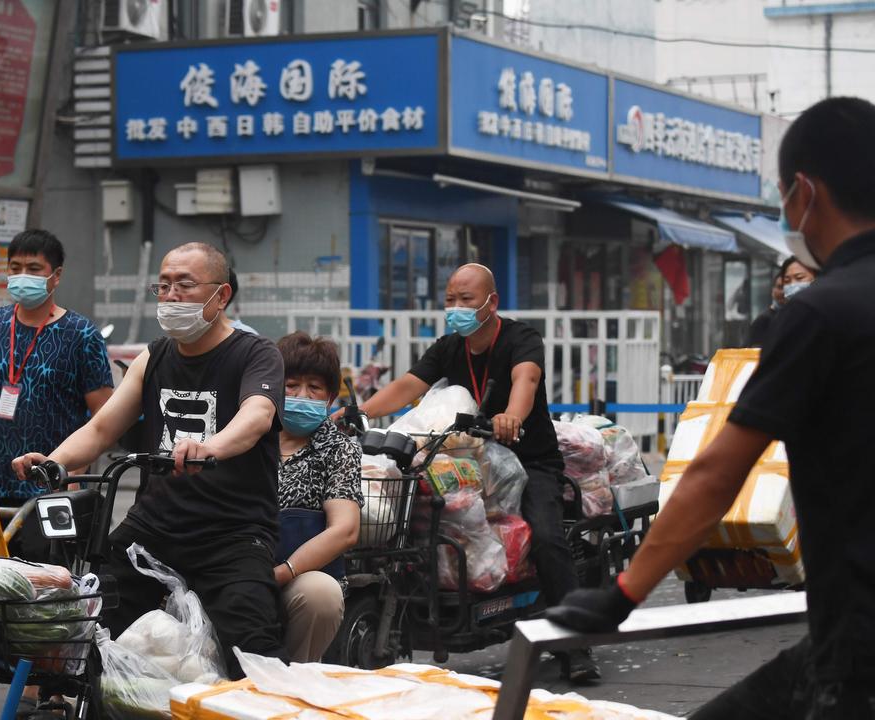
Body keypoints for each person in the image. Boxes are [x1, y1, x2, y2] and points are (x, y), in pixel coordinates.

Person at [548, 97, 875, 718]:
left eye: (782, 194)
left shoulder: (817, 316)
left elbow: (716, 475)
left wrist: (621, 594)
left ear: (804, 192)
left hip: (858, 655)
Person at [14, 242, 286, 673]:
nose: (172, 295)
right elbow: (103, 427)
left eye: (185, 285)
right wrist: (55, 461)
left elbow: (257, 415)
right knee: (93, 626)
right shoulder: (154, 356)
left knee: (251, 643)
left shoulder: (255, 353)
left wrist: (209, 446)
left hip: (233, 532)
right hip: (154, 525)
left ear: (221, 295)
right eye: (163, 286)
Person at [351, 263, 599, 682]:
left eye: (466, 300)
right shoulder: (450, 347)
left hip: (529, 460)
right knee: (412, 521)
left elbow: (527, 378)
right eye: (450, 300)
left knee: (548, 537)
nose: (456, 308)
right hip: (469, 461)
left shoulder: (521, 339)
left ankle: (575, 646)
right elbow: (409, 386)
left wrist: (512, 417)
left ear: (491, 302)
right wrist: (358, 412)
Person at [0, 229, 114, 508]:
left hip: (57, 486)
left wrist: (74, 472)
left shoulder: (81, 334)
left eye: (34, 268)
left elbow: (104, 415)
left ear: (56, 276)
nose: (23, 275)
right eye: (15, 268)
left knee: (52, 553)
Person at [273, 332, 362, 662]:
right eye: (292, 385)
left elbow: (345, 530)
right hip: (242, 569)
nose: (301, 395)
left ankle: (296, 680)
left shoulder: (339, 450)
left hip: (300, 578)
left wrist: (282, 573)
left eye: (314, 388)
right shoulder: (248, 439)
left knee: (320, 594)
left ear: (329, 398)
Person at [745, 264, 787, 347]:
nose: (783, 292)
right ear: (773, 290)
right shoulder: (764, 320)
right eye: (780, 287)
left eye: (787, 287)